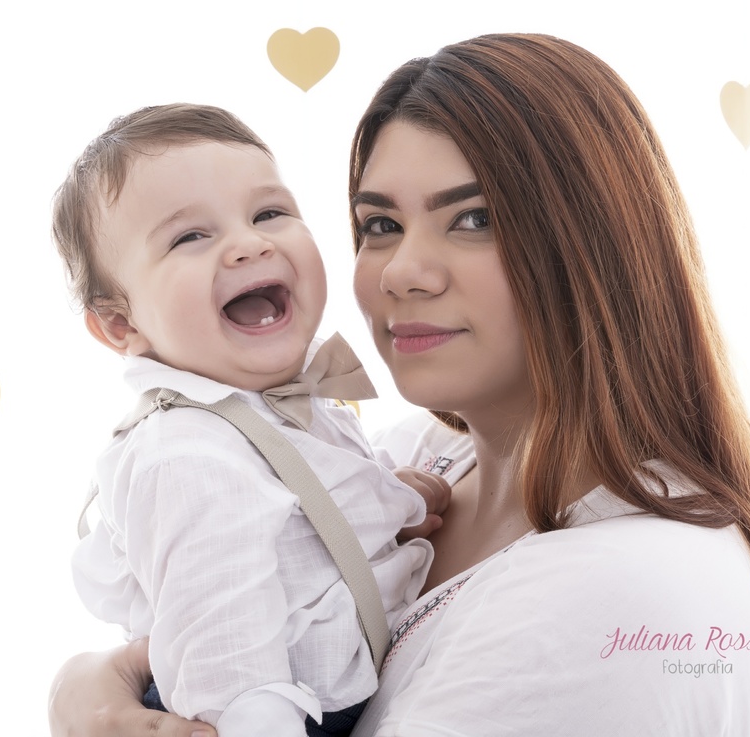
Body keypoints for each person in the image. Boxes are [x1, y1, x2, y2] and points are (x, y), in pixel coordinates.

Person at [48, 34, 750, 736]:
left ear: (594, 245)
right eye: (379, 224)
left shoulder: (622, 589)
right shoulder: (411, 454)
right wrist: (84, 687)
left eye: (474, 218)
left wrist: (87, 702)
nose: (403, 272)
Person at [50, 104, 452, 737]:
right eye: (190, 237)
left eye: (269, 214)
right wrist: (257, 718)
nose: (250, 243)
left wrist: (388, 499)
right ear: (121, 324)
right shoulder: (184, 455)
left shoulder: (279, 403)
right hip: (260, 707)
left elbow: (304, 513)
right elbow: (219, 624)